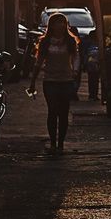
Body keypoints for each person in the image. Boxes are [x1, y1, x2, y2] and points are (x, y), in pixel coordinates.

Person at [27, 11, 80, 153]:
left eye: (63, 22)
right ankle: (53, 143)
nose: (61, 25)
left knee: (63, 113)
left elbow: (75, 57)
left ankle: (61, 144)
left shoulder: (70, 41)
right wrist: (32, 82)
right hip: (50, 81)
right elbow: (38, 62)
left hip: (66, 81)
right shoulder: (45, 42)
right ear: (52, 25)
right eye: (57, 22)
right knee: (53, 111)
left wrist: (75, 71)